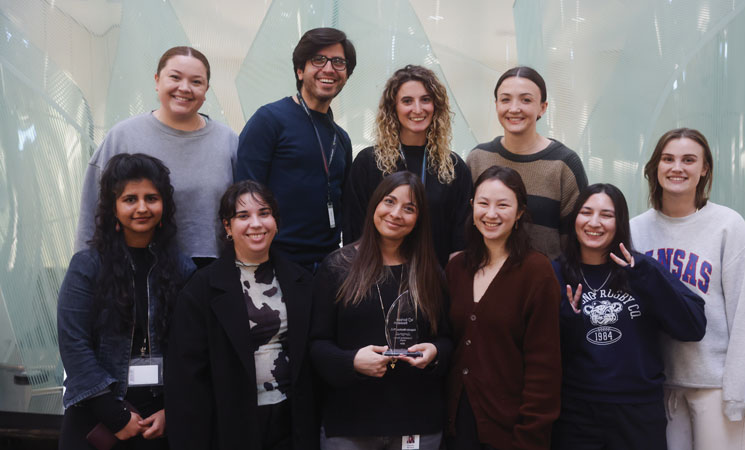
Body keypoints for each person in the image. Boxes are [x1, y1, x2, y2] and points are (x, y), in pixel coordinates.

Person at [630, 128, 745, 450]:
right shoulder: (635, 229)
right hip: (660, 386)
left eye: (688, 160)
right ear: (656, 166)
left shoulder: (727, 226)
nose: (677, 167)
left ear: (704, 169)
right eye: (668, 159)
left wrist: (740, 394)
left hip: (716, 386)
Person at [551, 183, 706, 450]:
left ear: (620, 222)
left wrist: (647, 276)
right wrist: (568, 318)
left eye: (607, 215)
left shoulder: (642, 269)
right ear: (574, 218)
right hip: (576, 411)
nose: (594, 222)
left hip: (638, 411)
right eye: (586, 212)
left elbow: (693, 327)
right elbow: (544, 351)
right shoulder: (555, 274)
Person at [166, 180, 317, 450]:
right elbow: (187, 378)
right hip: (231, 424)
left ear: (276, 222)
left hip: (292, 420)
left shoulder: (302, 280)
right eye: (243, 216)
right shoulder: (201, 289)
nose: (256, 224)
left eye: (264, 213)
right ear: (227, 227)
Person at [57, 153, 195, 449]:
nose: (142, 208)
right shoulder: (87, 266)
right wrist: (114, 415)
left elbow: (192, 349)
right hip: (96, 415)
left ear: (164, 205)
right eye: (130, 199)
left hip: (159, 421)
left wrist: (171, 410)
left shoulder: (183, 269)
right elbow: (73, 344)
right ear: (113, 208)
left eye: (151, 198)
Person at [310, 171, 451, 449]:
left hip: (417, 423)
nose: (396, 213)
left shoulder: (430, 272)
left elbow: (447, 340)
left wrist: (434, 354)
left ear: (419, 219)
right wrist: (351, 362)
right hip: (351, 424)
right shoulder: (337, 267)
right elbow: (316, 345)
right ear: (375, 203)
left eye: (409, 208)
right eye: (389, 201)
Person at [75, 46, 238, 268]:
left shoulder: (227, 140)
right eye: (175, 77)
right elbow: (93, 206)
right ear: (157, 80)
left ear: (206, 89)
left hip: (212, 270)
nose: (184, 88)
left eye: (196, 82)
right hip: (137, 268)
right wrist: (85, 267)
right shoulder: (123, 136)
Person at [445, 165, 561, 450]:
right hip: (455, 426)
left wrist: (530, 436)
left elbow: (544, 367)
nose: (491, 214)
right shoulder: (456, 266)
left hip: (512, 431)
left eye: (503, 205)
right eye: (483, 203)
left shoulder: (537, 271)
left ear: (520, 212)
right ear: (472, 207)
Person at [236, 27, 357, 272]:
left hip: (329, 265)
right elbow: (244, 195)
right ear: (300, 70)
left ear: (346, 75)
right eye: (319, 60)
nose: (329, 69)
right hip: (275, 263)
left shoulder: (341, 138)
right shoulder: (269, 120)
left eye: (338, 62)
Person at [341, 65, 472, 267]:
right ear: (393, 107)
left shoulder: (453, 168)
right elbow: (354, 231)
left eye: (425, 100)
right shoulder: (369, 163)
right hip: (377, 281)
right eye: (407, 101)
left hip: (433, 284)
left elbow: (460, 240)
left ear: (436, 106)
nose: (418, 109)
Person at [465, 66, 587, 259]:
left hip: (547, 282)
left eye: (526, 100)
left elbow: (576, 239)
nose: (514, 109)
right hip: (485, 279)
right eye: (505, 99)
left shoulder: (564, 163)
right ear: (496, 104)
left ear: (543, 107)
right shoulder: (478, 158)